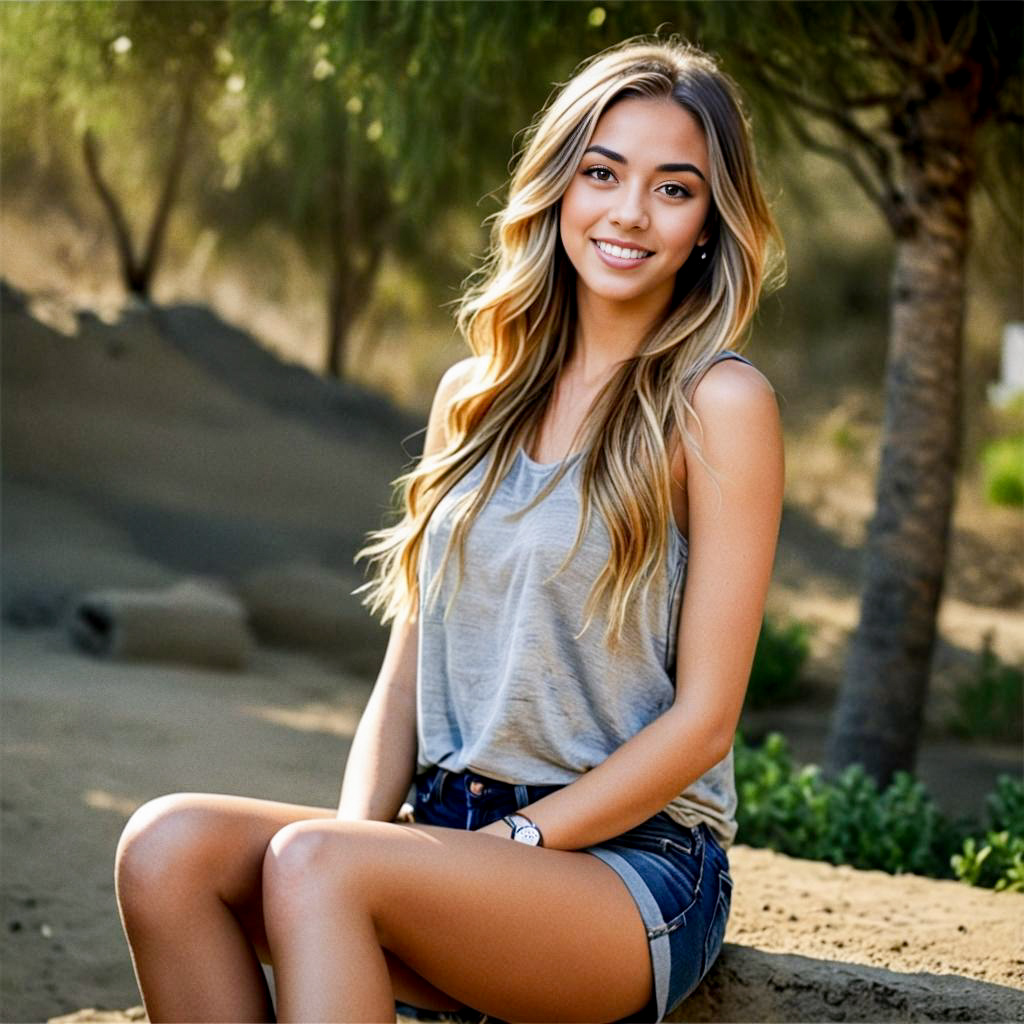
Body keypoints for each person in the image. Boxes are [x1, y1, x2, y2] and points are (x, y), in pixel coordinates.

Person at [114, 33, 785, 1024]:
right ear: (558, 184)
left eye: (672, 188)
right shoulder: (474, 394)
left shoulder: (718, 403)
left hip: (628, 865)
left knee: (315, 864)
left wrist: (510, 844)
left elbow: (704, 723)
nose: (628, 212)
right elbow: (409, 663)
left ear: (706, 224)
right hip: (449, 833)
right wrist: (351, 848)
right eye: (601, 172)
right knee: (164, 848)